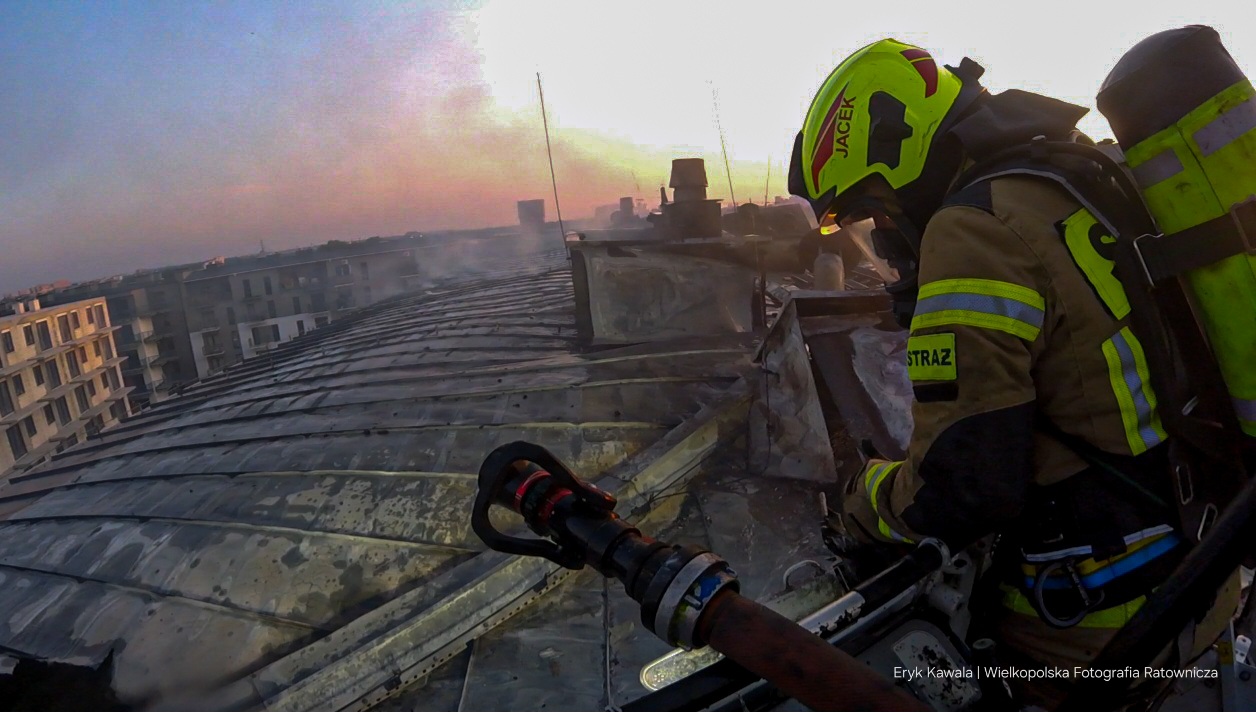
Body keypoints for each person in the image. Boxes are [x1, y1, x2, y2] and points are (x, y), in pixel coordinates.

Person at [787, 39, 1239, 709]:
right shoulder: (1073, 176)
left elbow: (962, 488)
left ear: (901, 148)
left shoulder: (972, 228)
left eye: (875, 206)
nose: (883, 231)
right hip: (1203, 577)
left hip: (1093, 635)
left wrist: (862, 499)